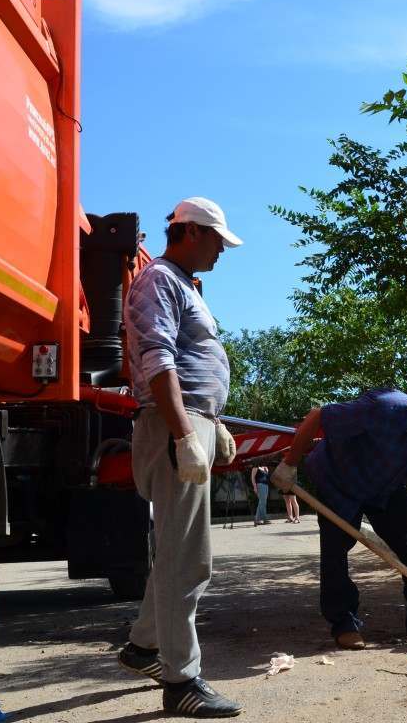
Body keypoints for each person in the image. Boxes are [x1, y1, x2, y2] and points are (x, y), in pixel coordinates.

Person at [116, 197, 243, 718]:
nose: (221, 252)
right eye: (217, 240)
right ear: (190, 232)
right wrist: (187, 431)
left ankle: (145, 648)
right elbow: (158, 359)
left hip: (191, 423)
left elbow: (192, 363)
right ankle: (182, 681)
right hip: (175, 428)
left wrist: (216, 424)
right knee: (188, 560)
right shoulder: (162, 280)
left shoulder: (187, 285)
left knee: (175, 553)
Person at [271, 389, 407, 650]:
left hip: (386, 487)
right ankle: (343, 623)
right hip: (339, 480)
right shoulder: (383, 410)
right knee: (336, 551)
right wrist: (289, 464)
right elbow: (319, 416)